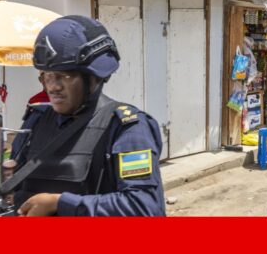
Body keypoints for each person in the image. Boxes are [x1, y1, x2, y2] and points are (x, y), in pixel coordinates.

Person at [12, 15, 166, 216]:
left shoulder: (127, 128)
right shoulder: (36, 120)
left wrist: (60, 203)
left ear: (94, 77)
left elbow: (144, 207)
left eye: (64, 76)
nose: (53, 86)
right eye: (47, 76)